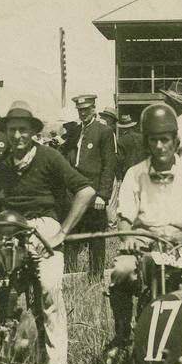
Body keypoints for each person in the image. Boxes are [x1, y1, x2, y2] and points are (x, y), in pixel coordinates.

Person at [0, 101, 95, 364]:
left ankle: (56, 363)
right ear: (6, 132)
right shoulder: (1, 167)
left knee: (50, 290)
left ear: (33, 132)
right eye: (12, 130)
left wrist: (62, 232)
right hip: (7, 228)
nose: (17, 137)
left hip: (43, 226)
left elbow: (85, 191)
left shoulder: (49, 157)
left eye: (23, 130)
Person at [104, 104, 182, 356]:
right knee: (121, 271)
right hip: (145, 240)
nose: (159, 146)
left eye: (165, 140)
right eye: (153, 140)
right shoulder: (135, 174)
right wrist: (129, 236)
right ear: (146, 142)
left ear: (175, 141)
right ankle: (122, 335)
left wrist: (178, 237)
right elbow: (124, 217)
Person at [64, 93, 116, 278]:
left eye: (86, 110)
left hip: (94, 194)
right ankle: (69, 277)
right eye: (80, 110)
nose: (83, 113)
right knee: (71, 236)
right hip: (74, 194)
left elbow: (109, 165)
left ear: (93, 109)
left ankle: (95, 277)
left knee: (96, 238)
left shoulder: (104, 131)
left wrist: (103, 194)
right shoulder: (76, 132)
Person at [115, 114, 144, 179]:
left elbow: (119, 161)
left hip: (128, 173)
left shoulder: (121, 141)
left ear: (122, 128)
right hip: (143, 171)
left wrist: (119, 177)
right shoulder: (142, 137)